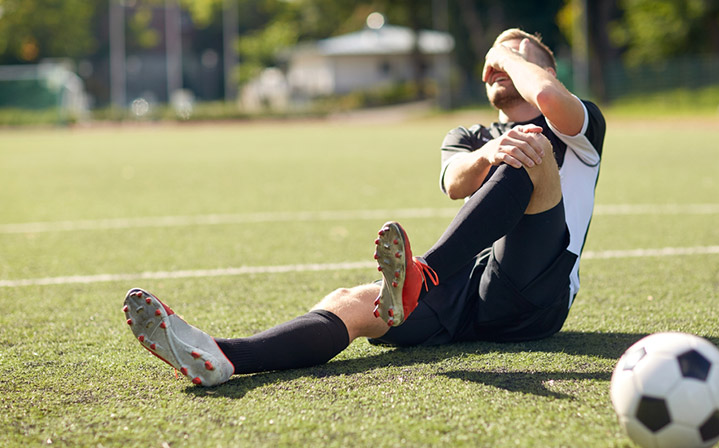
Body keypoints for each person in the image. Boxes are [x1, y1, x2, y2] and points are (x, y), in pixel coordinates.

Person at [122, 28, 605, 387]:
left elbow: (543, 95)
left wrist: (505, 51)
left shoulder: (578, 126)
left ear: (547, 71)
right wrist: (488, 151)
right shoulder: (467, 137)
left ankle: (423, 274)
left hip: (537, 294)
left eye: (516, 58)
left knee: (530, 146)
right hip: (467, 291)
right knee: (351, 301)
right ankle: (221, 356)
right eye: (494, 62)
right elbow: (456, 184)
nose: (500, 65)